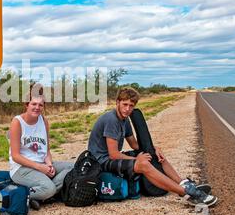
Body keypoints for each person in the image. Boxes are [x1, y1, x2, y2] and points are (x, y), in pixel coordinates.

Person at [87, 87, 218, 206]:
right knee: (143, 164)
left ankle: (183, 183)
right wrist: (137, 160)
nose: (127, 109)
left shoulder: (124, 119)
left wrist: (152, 148)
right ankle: (187, 193)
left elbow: (134, 144)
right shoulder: (112, 120)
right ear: (117, 102)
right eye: (124, 104)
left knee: (153, 153)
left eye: (131, 106)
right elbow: (113, 155)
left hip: (111, 157)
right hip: (100, 161)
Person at [9, 84, 74, 210]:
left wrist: (49, 164)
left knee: (73, 167)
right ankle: (37, 193)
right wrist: (41, 168)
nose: (37, 108)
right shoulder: (17, 122)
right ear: (26, 105)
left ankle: (42, 195)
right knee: (49, 188)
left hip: (41, 164)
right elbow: (16, 156)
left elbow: (46, 151)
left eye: (40, 105)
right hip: (21, 169)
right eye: (34, 104)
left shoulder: (43, 121)